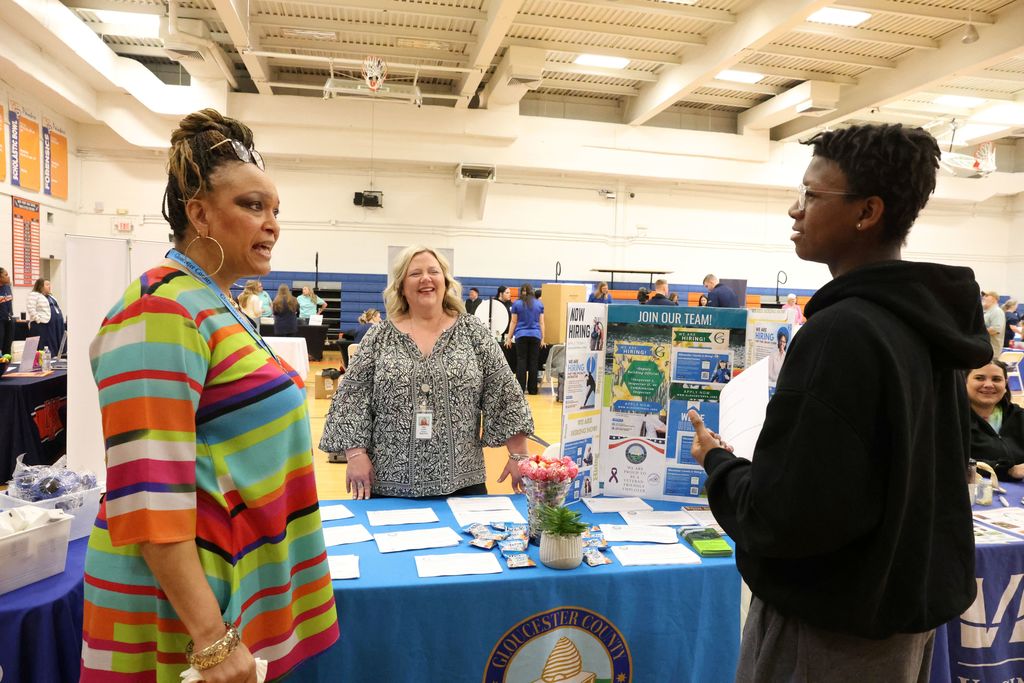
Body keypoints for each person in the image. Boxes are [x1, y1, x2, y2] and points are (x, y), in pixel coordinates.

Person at [686, 123, 990, 681]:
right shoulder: (927, 326)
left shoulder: (841, 333)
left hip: (830, 631)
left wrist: (718, 464)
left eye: (811, 194)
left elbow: (786, 517)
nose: (794, 211)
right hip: (898, 619)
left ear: (866, 212)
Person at [81, 109, 339, 683]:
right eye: (252, 206)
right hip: (180, 613)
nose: (271, 224)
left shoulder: (219, 304)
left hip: (227, 584)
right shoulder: (159, 310)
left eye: (275, 210)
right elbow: (146, 497)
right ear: (198, 213)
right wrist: (213, 642)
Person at [320, 246, 534, 499]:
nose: (426, 279)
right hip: (387, 484)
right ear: (400, 285)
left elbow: (504, 392)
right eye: (415, 273)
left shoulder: (472, 332)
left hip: (463, 483)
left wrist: (519, 455)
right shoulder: (379, 336)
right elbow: (351, 399)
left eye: (434, 271)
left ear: (445, 282)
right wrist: (355, 455)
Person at [967, 361, 1024, 480]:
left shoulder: (1018, 416)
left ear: (1005, 385)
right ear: (964, 382)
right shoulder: (952, 420)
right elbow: (951, 462)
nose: (988, 384)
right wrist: (1008, 470)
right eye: (979, 378)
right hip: (975, 492)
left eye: (996, 379)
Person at [506, 283, 546, 395]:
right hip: (535, 335)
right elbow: (541, 322)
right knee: (534, 362)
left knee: (521, 361)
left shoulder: (516, 304)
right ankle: (533, 389)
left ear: (521, 292)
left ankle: (520, 389)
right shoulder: (539, 304)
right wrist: (543, 338)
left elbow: (513, 322)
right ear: (532, 291)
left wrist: (509, 338)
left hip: (521, 335)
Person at [26, 278, 66, 358]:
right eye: (47, 285)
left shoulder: (51, 296)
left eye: (49, 285)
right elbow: (31, 308)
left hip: (53, 325)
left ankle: (55, 358)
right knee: (44, 345)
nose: (49, 286)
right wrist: (38, 319)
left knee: (54, 344)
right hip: (42, 324)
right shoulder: (34, 295)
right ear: (41, 286)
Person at [982, 290, 1005, 359]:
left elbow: (995, 329)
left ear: (994, 299)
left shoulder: (997, 311)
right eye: (984, 296)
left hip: (992, 351)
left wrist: (977, 332)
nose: (984, 298)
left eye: (987, 296)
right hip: (985, 350)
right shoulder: (987, 312)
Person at [0, 267, 13, 357]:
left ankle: (7, 367)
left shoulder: (8, 286)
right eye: (6, 275)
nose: (8, 277)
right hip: (0, 320)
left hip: (9, 319)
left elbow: (9, 301)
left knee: (8, 345)